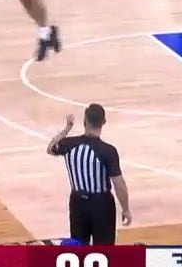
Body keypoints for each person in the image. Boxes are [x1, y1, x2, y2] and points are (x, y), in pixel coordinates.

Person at [46, 105, 132, 245]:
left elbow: (50, 148)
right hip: (101, 204)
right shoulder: (108, 151)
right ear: (104, 122)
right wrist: (126, 209)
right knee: (104, 249)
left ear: (84, 121)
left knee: (78, 247)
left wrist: (67, 128)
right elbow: (118, 184)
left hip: (77, 203)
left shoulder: (70, 144)